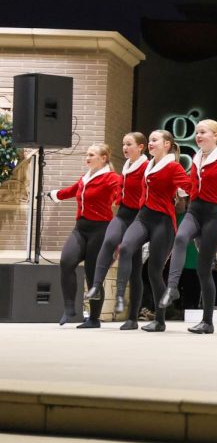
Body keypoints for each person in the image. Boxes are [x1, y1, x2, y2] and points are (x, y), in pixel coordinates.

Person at [161, 120, 217, 320]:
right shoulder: (196, 157)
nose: (198, 136)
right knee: (180, 238)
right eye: (196, 132)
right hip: (194, 211)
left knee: (204, 269)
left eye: (203, 132)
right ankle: (172, 287)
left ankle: (207, 320)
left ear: (216, 135)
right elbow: (194, 184)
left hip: (213, 215)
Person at [113, 130, 193, 330]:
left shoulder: (173, 167)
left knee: (154, 273)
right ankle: (125, 303)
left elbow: (189, 187)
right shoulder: (147, 164)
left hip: (163, 222)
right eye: (149, 140)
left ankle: (160, 320)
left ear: (167, 144)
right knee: (126, 247)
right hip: (143, 217)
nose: (150, 143)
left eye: (154, 140)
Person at [49, 143, 120, 327]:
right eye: (87, 154)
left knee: (92, 273)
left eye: (91, 154)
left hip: (101, 229)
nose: (87, 157)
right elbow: (72, 191)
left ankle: (94, 319)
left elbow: (121, 193)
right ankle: (70, 307)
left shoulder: (112, 178)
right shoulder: (85, 177)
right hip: (80, 228)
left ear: (103, 158)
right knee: (66, 262)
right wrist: (53, 194)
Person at [85, 132, 148, 330]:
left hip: (139, 217)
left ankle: (133, 318)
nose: (124, 148)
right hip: (123, 214)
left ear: (141, 147)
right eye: (123, 144)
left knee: (135, 269)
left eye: (129, 144)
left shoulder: (147, 166)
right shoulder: (127, 166)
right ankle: (96, 285)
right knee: (110, 240)